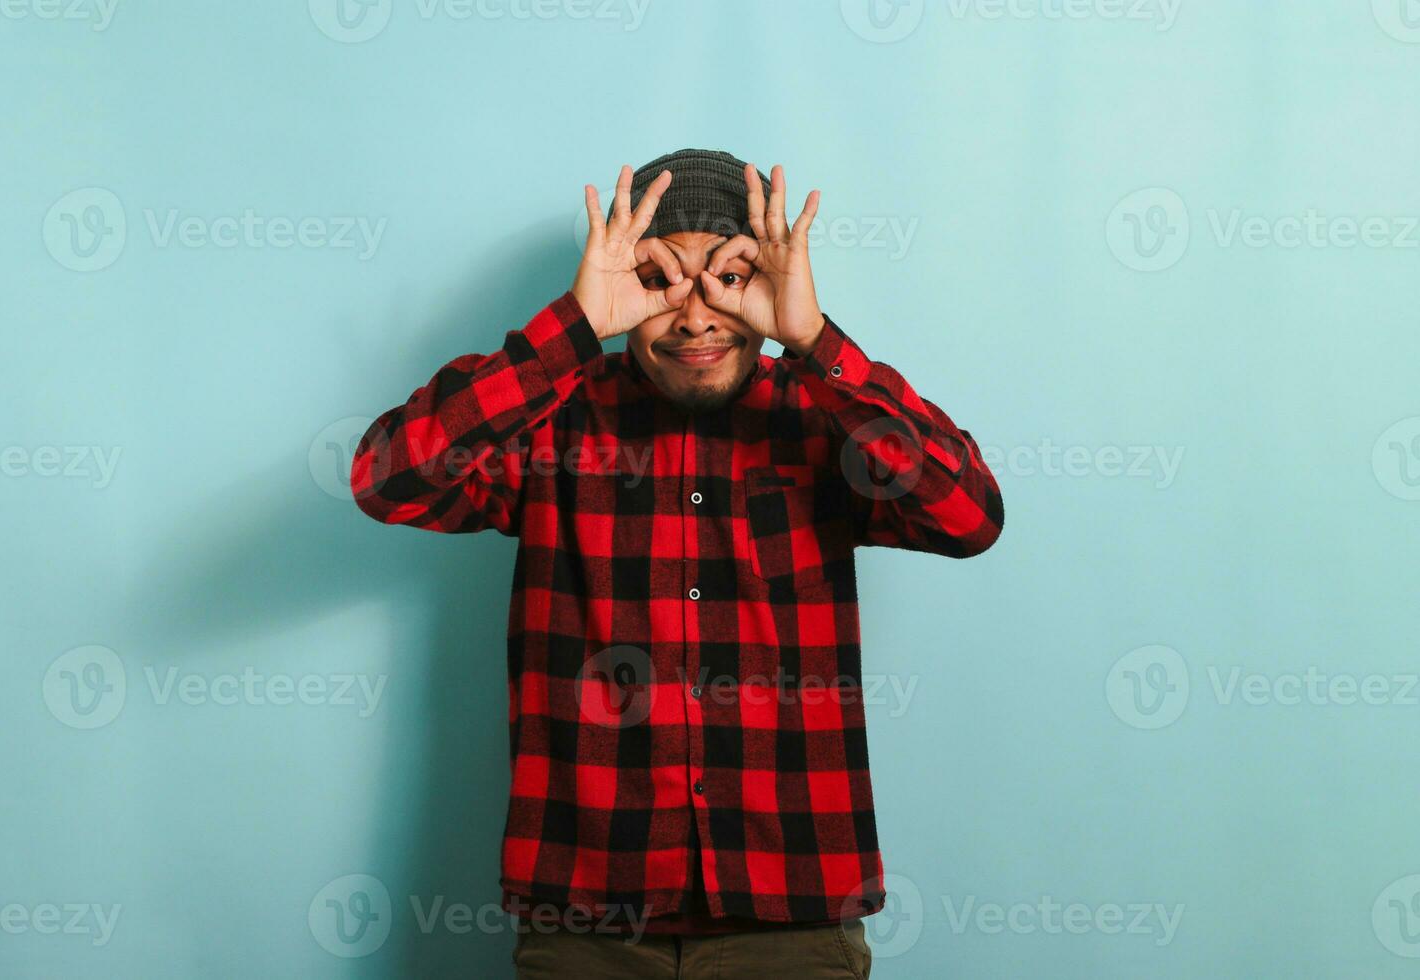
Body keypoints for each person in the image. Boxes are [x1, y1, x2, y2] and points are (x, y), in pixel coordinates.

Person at [350, 148, 1004, 978]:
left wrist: (813, 340)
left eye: (727, 278)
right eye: (663, 281)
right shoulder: (556, 420)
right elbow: (387, 479)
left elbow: (970, 515)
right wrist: (575, 329)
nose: (696, 317)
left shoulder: (822, 417)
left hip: (792, 915)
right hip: (587, 916)